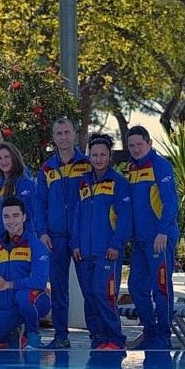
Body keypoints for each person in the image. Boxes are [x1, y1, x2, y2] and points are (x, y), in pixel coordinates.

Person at [33, 117, 92, 349]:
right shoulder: (47, 168)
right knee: (58, 289)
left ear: (74, 134)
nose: (64, 137)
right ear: (54, 138)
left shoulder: (87, 164)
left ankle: (98, 335)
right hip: (54, 237)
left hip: (82, 237)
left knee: (89, 287)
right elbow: (39, 202)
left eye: (67, 132)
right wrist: (42, 232)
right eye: (59, 133)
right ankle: (60, 336)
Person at [71, 133, 131, 350]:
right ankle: (97, 338)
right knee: (89, 296)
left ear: (109, 156)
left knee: (104, 294)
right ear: (89, 157)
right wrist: (75, 244)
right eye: (94, 155)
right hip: (84, 253)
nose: (98, 159)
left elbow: (125, 218)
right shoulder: (83, 183)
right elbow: (77, 216)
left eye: (103, 155)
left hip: (107, 252)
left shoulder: (118, 182)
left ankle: (115, 339)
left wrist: (116, 244)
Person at [0, 198, 51, 349]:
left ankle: (32, 336)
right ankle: (11, 332)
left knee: (23, 297)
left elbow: (39, 282)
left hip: (35, 302)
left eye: (15, 215)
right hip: (6, 306)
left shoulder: (36, 245)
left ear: (24, 217)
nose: (11, 221)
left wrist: (9, 285)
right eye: (6, 216)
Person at [126, 125, 180, 350]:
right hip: (140, 241)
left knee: (161, 288)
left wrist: (163, 231)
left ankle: (164, 335)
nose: (136, 149)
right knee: (136, 287)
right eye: (131, 145)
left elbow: (171, 202)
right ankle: (150, 331)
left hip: (159, 239)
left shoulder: (160, 165)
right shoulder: (131, 168)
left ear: (149, 143)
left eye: (139, 144)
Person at [0, 142, 36, 243]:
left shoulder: (24, 182)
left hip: (20, 240)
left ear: (14, 157)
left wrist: (24, 241)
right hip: (1, 240)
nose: (3, 161)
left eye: (7, 157)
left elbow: (28, 214)